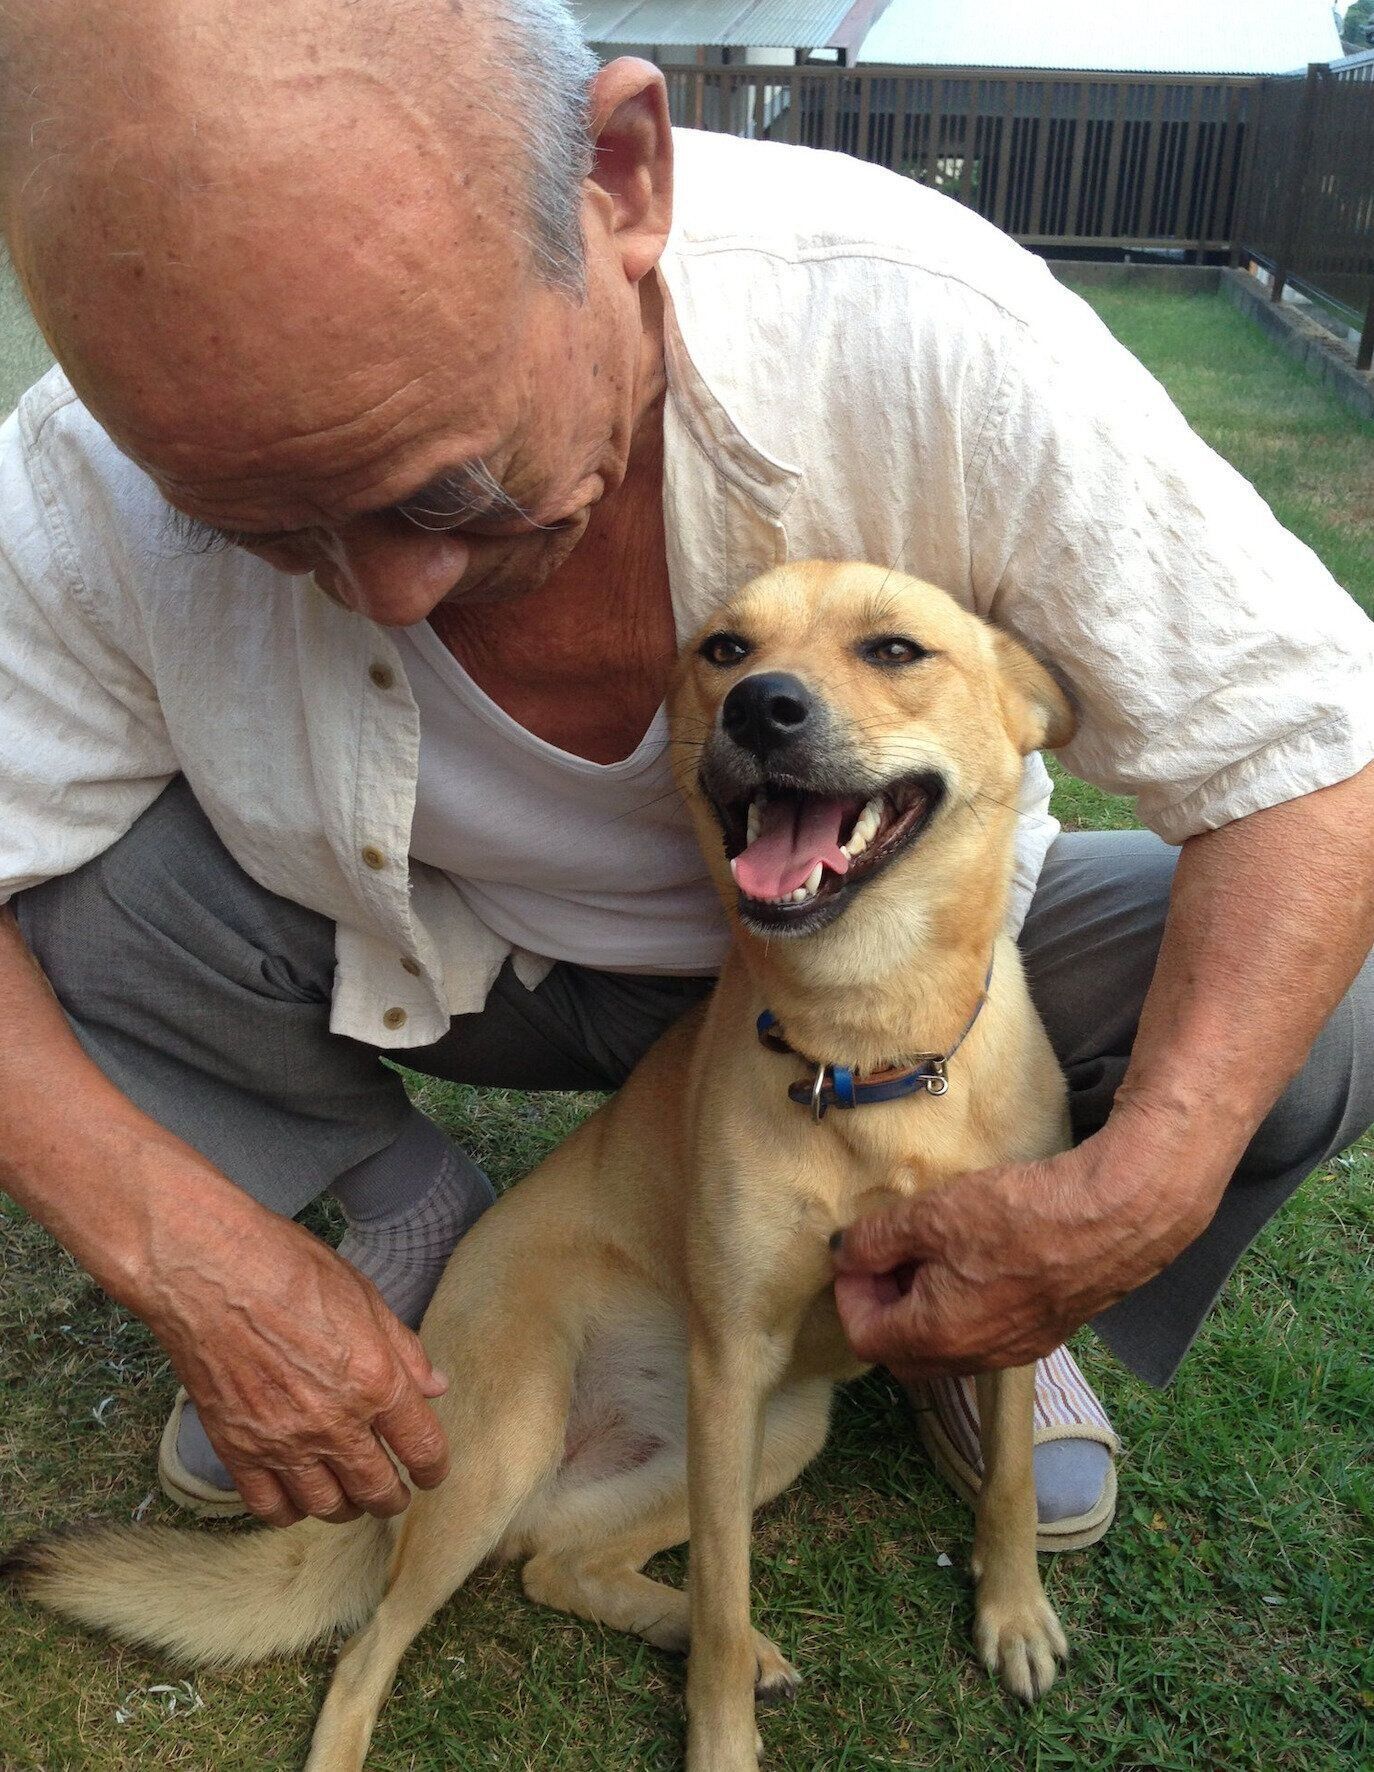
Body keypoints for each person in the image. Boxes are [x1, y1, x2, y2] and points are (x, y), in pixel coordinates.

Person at [0, 0, 1370, 1547]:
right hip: (459, 969)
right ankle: (400, 1201)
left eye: (450, 483)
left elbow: (1311, 747)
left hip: (918, 968)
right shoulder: (78, 478)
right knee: (79, 896)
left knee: (1315, 999)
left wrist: (1134, 1187)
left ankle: (962, 1286)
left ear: (620, 180)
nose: (386, 592)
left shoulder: (921, 326)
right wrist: (185, 1250)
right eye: (256, 524)